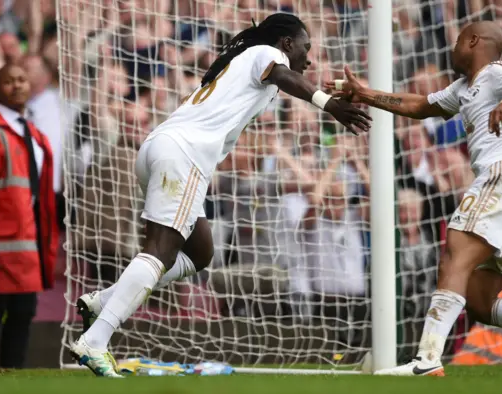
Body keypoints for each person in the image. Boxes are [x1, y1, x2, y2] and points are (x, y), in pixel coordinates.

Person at [69, 13, 371, 378]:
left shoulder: (242, 64)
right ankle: (96, 340)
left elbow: (279, 83)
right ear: (287, 44)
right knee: (161, 250)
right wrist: (328, 104)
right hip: (183, 154)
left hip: (162, 147)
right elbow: (283, 74)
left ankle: (102, 301)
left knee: (200, 253)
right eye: (305, 47)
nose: (309, 57)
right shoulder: (265, 54)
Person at [328, 21, 502, 376]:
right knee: (481, 303)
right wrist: (365, 94)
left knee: (455, 249)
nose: (452, 48)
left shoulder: (498, 72)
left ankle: (426, 360)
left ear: (473, 41)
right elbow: (419, 105)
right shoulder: (463, 88)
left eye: (457, 41)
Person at [0, 64, 59, 368]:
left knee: (22, 316)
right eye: (8, 82)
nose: (17, 86)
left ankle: (11, 379)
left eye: (21, 80)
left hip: (28, 247)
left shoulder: (34, 134)